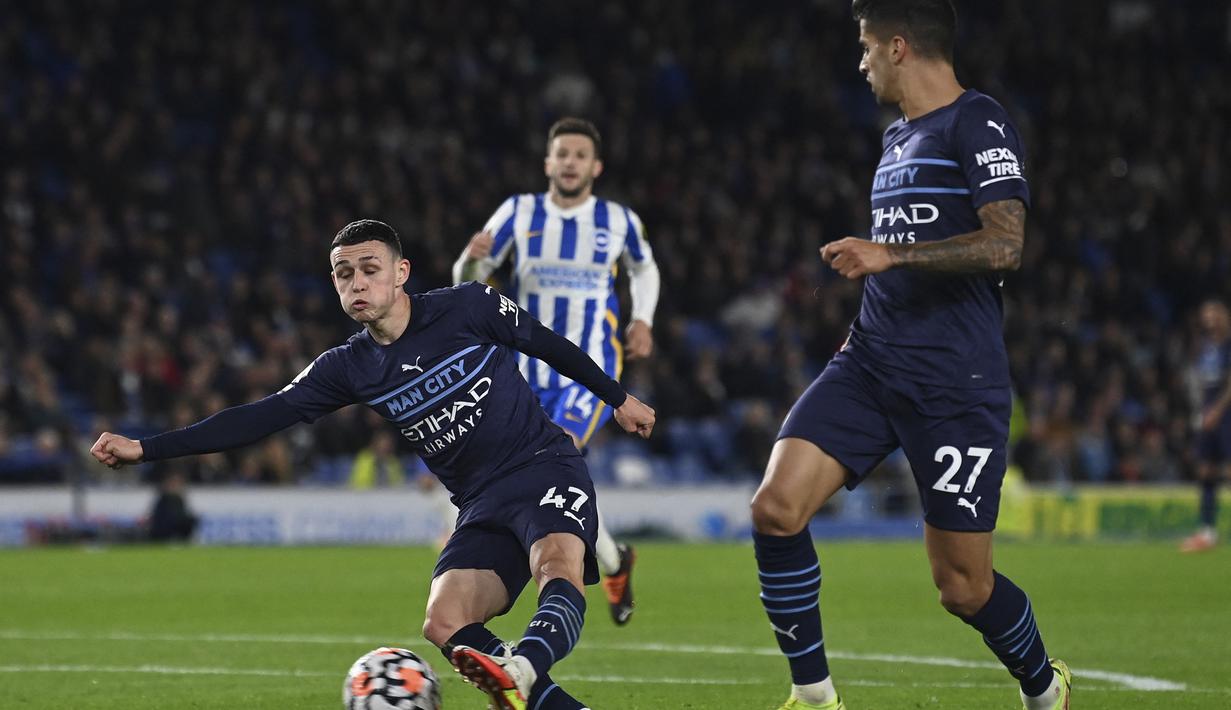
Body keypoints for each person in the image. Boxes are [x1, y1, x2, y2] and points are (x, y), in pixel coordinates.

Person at [91, 219, 656, 710]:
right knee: (444, 621)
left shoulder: (469, 306)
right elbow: (260, 416)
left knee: (555, 565)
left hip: (542, 466)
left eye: (370, 269)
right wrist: (149, 447)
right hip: (480, 503)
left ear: (401, 272)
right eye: (343, 274)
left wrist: (617, 397)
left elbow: (544, 343)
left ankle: (524, 671)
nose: (357, 283)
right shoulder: (349, 368)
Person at [748, 2, 1071, 709]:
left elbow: (1004, 245)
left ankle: (1045, 688)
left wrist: (888, 254)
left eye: (865, 49)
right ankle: (813, 696)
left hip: (954, 380)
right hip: (868, 363)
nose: (859, 63)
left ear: (898, 47)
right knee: (775, 508)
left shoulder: (975, 121)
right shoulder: (896, 140)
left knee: (961, 587)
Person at [452, 117, 660, 626]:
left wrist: (641, 319)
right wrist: (469, 260)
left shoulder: (618, 220)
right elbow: (469, 282)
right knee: (545, 474)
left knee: (554, 456)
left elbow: (644, 267)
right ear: (548, 163)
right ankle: (613, 560)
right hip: (521, 369)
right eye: (561, 154)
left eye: (579, 155)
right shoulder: (519, 212)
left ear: (595, 166)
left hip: (588, 369)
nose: (570, 162)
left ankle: (578, 568)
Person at [1180, 299, 1231, 552]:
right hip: (1208, 414)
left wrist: (1218, 411)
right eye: (1206, 315)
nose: (1209, 319)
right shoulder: (1205, 348)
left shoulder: (1227, 346)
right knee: (1206, 471)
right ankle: (1207, 532)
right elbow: (1200, 382)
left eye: (1214, 314)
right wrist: (1201, 412)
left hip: (1225, 414)